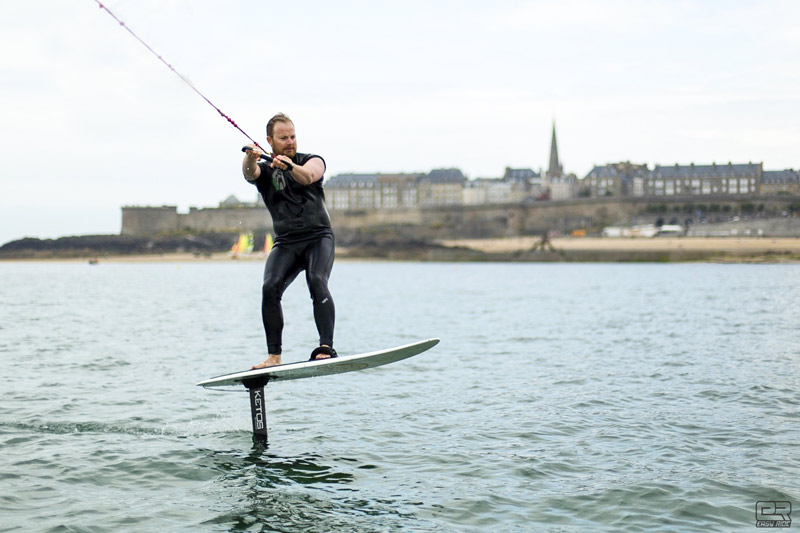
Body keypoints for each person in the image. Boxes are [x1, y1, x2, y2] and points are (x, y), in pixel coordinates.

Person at [242, 113, 336, 369]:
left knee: (316, 280)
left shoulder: (311, 161)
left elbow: (307, 176)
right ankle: (274, 356)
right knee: (270, 287)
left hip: (318, 238)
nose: (290, 142)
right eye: (283, 138)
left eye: (293, 136)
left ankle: (326, 347)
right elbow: (251, 174)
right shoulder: (265, 169)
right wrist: (249, 158)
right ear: (270, 141)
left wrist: (289, 166)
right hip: (286, 243)